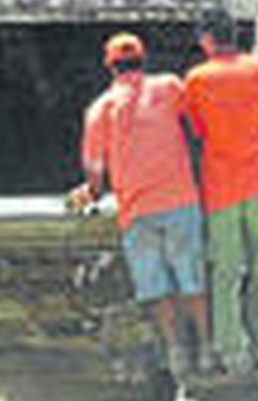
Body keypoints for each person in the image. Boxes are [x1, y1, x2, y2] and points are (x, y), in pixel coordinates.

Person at [70, 32, 214, 381]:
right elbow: (198, 122)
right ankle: (207, 348)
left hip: (137, 209)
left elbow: (94, 166)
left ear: (110, 67)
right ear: (143, 60)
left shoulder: (101, 108)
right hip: (180, 200)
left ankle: (176, 350)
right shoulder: (168, 87)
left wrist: (92, 192)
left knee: (155, 286)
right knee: (191, 279)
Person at [183, 9, 258, 377]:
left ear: (207, 40)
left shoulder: (197, 79)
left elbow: (197, 130)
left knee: (226, 273)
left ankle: (232, 354)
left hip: (222, 189)